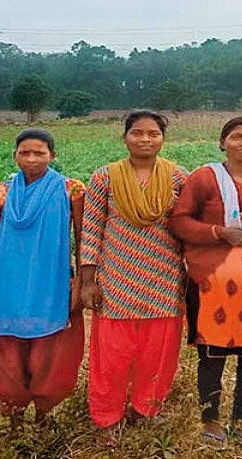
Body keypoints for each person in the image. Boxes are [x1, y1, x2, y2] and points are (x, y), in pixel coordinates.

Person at [169, 116, 242, 446]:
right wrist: (219, 232)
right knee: (212, 356)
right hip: (211, 281)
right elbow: (178, 221)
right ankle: (211, 419)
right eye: (237, 137)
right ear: (223, 142)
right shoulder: (205, 177)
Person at [78, 110, 189, 448]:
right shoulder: (105, 177)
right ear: (125, 137)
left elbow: (187, 227)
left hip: (164, 277)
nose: (145, 139)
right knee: (110, 356)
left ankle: (146, 408)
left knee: (159, 351)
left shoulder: (178, 178)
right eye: (137, 133)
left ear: (163, 138)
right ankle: (106, 418)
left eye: (153, 133)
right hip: (116, 278)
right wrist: (88, 280)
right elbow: (92, 229)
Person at [0, 128, 85, 433]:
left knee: (50, 352)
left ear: (53, 155)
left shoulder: (70, 190)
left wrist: (83, 282)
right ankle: (15, 419)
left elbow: (82, 240)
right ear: (15, 155)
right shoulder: (1, 193)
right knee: (9, 355)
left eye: (39, 153)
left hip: (52, 284)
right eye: (25, 152)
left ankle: (45, 415)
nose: (32, 159)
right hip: (9, 285)